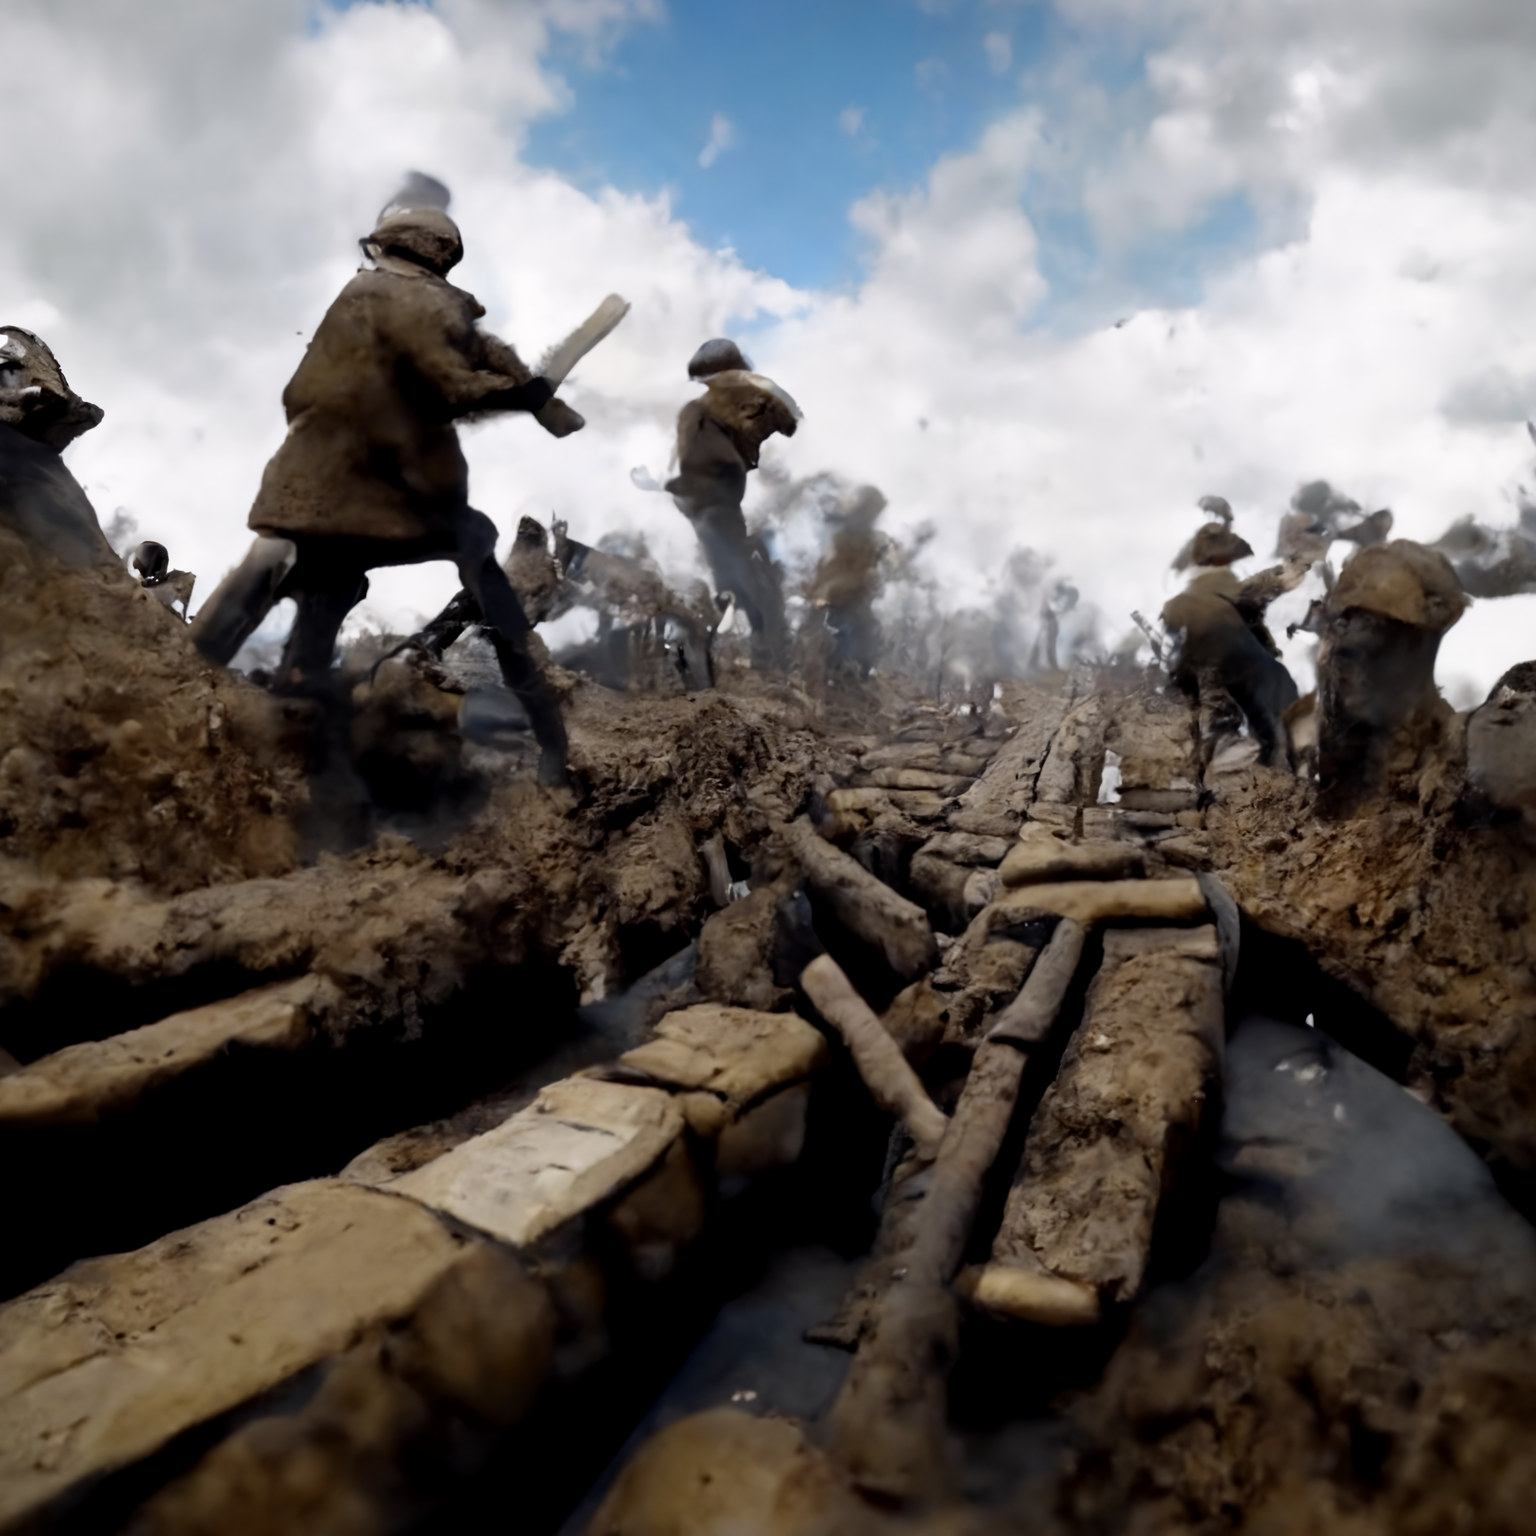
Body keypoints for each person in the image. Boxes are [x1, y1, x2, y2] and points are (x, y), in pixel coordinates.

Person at [190, 175, 581, 784]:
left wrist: (524, 388)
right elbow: (453, 384)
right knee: (481, 567)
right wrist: (526, 394)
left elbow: (480, 354)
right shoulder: (421, 303)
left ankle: (185, 691)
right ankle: (554, 747)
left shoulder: (367, 296)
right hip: (398, 498)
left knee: (284, 568)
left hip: (311, 490)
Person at [665, 339, 799, 670]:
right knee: (726, 566)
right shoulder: (701, 411)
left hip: (717, 500)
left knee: (729, 576)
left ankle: (740, 636)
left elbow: (789, 421)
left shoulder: (741, 405)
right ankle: (746, 636)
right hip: (705, 500)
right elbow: (683, 458)